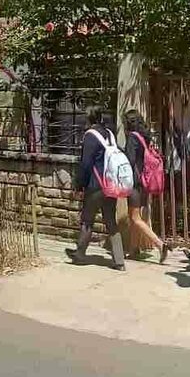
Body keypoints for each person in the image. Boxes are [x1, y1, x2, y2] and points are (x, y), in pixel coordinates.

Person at [66, 105, 125, 271]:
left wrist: (79, 185)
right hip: (111, 183)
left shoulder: (90, 136)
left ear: (88, 119)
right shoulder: (111, 135)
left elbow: (86, 164)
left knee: (87, 219)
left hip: (96, 185)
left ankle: (79, 254)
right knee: (110, 220)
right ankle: (119, 261)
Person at [122, 110, 170, 264]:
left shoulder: (132, 138)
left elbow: (129, 161)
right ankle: (134, 249)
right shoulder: (143, 137)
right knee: (134, 217)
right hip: (144, 183)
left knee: (135, 218)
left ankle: (160, 245)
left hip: (134, 183)